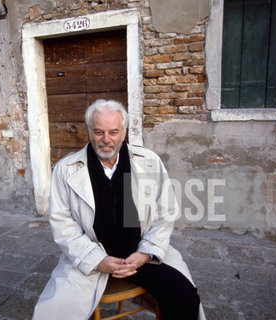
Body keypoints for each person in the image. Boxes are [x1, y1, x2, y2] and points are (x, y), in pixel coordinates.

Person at [33, 99, 205, 320]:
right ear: (89, 131)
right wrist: (97, 260)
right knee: (54, 313)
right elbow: (62, 224)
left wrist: (145, 253)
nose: (106, 140)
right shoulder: (65, 171)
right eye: (99, 132)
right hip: (91, 257)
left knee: (185, 297)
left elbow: (166, 212)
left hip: (141, 255)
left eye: (113, 132)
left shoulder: (148, 162)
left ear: (123, 132)